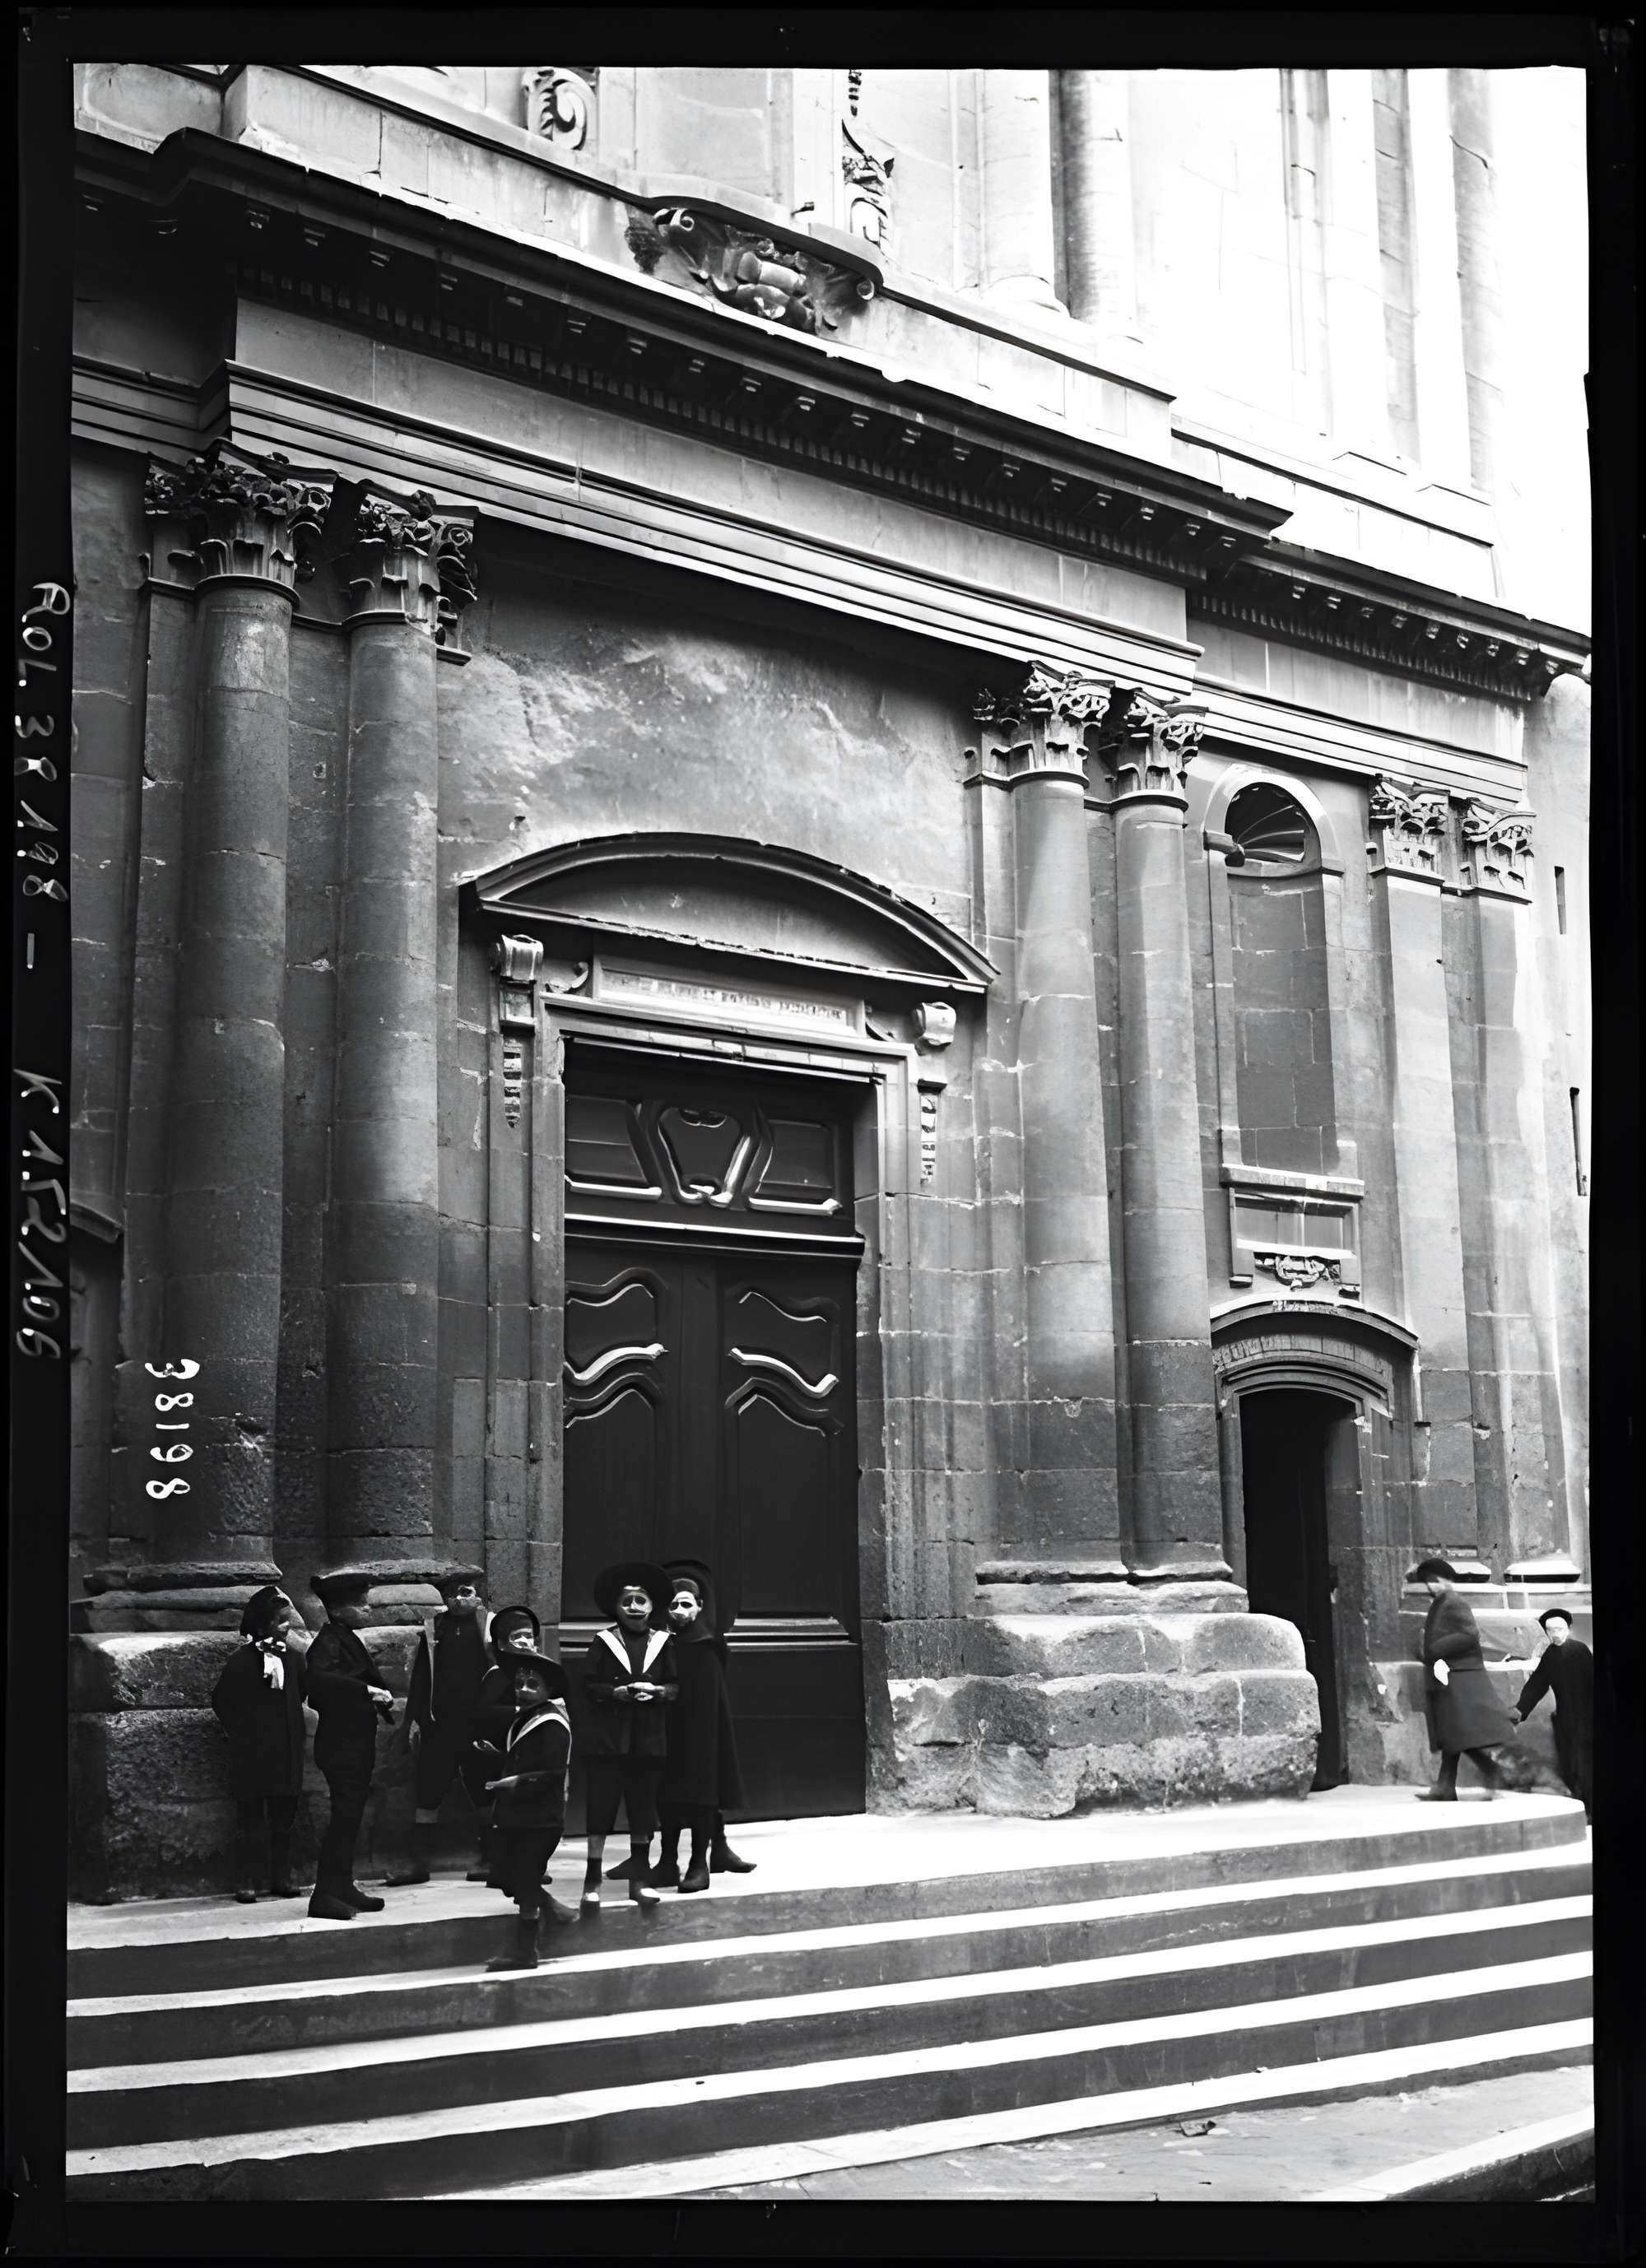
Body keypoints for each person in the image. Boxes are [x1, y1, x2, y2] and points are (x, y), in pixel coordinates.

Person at [578, 1560, 679, 1913]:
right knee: (601, 1808)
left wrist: (659, 1691)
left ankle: (640, 1879)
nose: (634, 1607)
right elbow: (588, 1685)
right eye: (627, 1602)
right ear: (616, 1608)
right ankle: (592, 1880)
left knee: (642, 1808)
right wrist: (615, 1693)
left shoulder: (664, 1642)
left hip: (647, 1739)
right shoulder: (604, 1642)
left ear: (652, 1607)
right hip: (610, 1739)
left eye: (641, 1601)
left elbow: (677, 1685)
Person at [384, 1568, 491, 1887]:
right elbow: (420, 1678)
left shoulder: (488, 1626)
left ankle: (490, 1857)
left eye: (466, 1592)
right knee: (427, 1794)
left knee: (484, 1790)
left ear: (478, 1595)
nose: (459, 1599)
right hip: (438, 1725)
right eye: (452, 1594)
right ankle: (419, 1863)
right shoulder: (434, 1628)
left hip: (478, 1727)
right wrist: (408, 1727)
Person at [473, 1648, 576, 1972]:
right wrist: (497, 1758)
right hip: (516, 1814)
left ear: (548, 1691)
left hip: (539, 1817)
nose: (524, 1689)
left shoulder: (552, 1723)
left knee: (527, 1878)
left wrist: (517, 1781)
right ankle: (555, 1911)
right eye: (519, 1683)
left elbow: (553, 1772)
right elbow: (520, 1757)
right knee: (505, 1875)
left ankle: (525, 1949)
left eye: (533, 1684)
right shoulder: (525, 1717)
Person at [305, 1568, 398, 1920]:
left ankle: (341, 1885)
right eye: (361, 1605)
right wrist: (365, 1690)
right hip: (341, 1747)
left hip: (353, 1744)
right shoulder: (329, 1641)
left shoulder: (344, 1637)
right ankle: (323, 1895)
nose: (368, 1611)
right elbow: (319, 1682)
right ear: (340, 1609)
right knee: (343, 1820)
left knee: (351, 1817)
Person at [651, 1562, 750, 1893]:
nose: (679, 1612)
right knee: (666, 1794)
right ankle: (667, 1862)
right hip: (669, 1730)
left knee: (701, 1793)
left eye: (686, 1605)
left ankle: (699, 1862)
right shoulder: (662, 1643)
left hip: (701, 1734)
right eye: (674, 1605)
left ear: (699, 1607)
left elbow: (708, 1700)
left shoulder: (705, 1644)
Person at [210, 1584, 307, 1903]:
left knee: (284, 1820)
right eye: (280, 1621)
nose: (287, 1626)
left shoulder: (293, 1660)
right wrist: (243, 1732)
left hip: (286, 1749)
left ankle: (281, 1876)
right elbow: (222, 1701)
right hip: (253, 1751)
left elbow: (301, 1694)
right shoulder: (242, 1662)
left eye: (287, 1619)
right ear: (263, 1625)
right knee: (251, 1819)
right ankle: (248, 1879)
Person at [1411, 1558, 1518, 1801]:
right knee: (1454, 1735)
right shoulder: (1443, 1602)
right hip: (1450, 1677)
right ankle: (1449, 1786)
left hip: (1458, 1678)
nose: (1430, 1587)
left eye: (1432, 1582)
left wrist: (1436, 1649)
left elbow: (1469, 1634)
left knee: (1456, 1734)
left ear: (1443, 1581)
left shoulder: (1453, 1602)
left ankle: (1469, 1778)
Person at [1514, 1607, 1593, 1819]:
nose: (1556, 1634)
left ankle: (1589, 1809)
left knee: (1585, 1764)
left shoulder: (1581, 1651)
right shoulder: (1551, 1654)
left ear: (1568, 1629)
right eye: (1550, 1630)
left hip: (1589, 1718)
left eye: (1559, 1629)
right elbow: (1537, 1685)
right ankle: (1583, 1807)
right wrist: (1519, 1711)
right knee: (1570, 1765)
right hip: (1567, 1719)